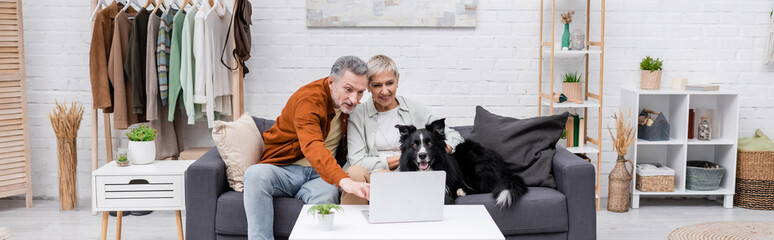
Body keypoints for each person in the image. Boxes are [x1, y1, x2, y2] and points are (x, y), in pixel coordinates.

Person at [243, 56, 371, 240]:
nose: (354, 99)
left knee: (327, 196)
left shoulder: (350, 107)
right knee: (255, 174)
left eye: (360, 92)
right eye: (348, 89)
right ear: (331, 81)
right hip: (284, 169)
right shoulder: (309, 100)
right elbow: (312, 145)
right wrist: (345, 181)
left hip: (320, 176)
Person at [341, 55, 464, 204]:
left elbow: (454, 135)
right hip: (371, 175)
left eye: (390, 83)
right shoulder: (358, 114)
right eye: (377, 85)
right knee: (355, 173)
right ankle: (353, 223)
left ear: (397, 81)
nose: (385, 91)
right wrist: (403, 159)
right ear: (368, 86)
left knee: (389, 178)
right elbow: (357, 160)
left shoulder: (414, 107)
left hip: (408, 174)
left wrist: (443, 149)